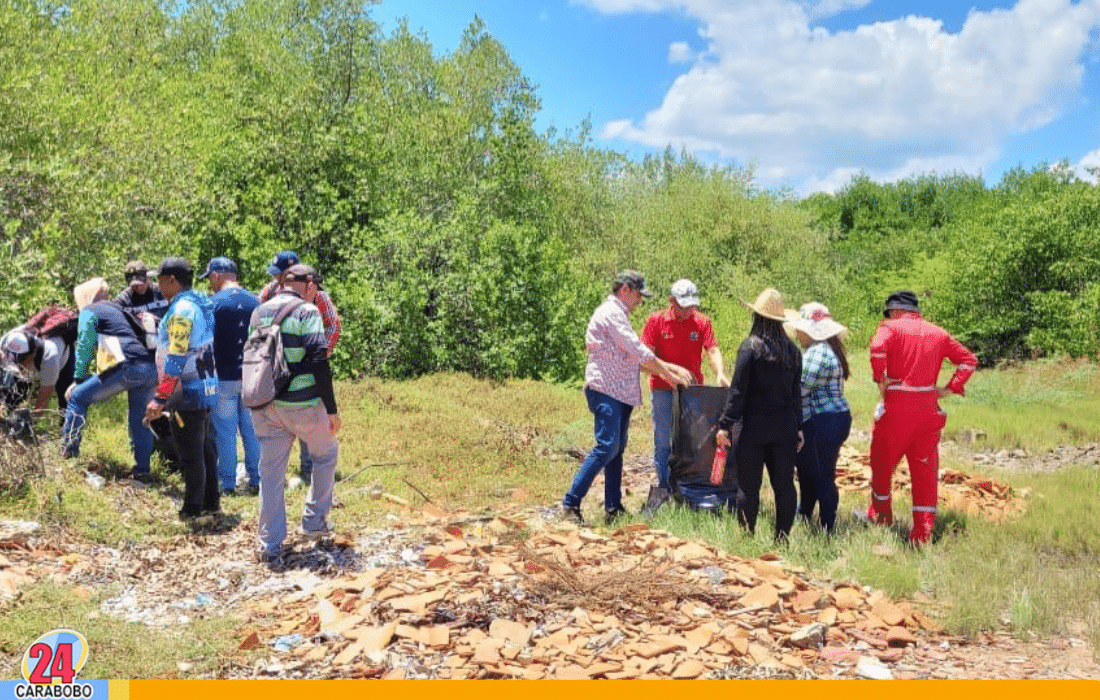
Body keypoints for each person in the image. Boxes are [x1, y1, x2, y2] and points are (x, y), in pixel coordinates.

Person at [561, 271, 693, 525]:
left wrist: (671, 370)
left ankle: (613, 506)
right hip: (606, 389)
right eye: (639, 295)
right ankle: (571, 503)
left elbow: (635, 357)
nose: (640, 301)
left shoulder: (620, 315)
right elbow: (638, 350)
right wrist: (669, 374)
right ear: (625, 289)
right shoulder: (611, 314)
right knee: (607, 446)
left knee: (616, 450)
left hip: (620, 392)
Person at [866, 290, 977, 545]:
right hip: (928, 409)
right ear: (916, 311)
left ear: (894, 311)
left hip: (896, 409)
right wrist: (949, 388)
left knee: (882, 464)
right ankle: (922, 533)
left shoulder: (890, 328)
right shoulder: (938, 333)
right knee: (925, 470)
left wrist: (880, 379)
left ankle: (881, 516)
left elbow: (876, 349)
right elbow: (969, 361)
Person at [250, 264, 341, 563]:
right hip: (302, 403)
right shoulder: (307, 312)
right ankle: (315, 521)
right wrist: (331, 408)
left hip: (265, 404)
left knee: (271, 474)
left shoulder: (259, 311)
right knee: (325, 454)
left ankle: (270, 544)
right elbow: (318, 357)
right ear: (310, 286)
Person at [716, 288, 803, 542]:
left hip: (753, 426)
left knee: (748, 487)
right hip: (784, 427)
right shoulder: (793, 352)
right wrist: (798, 427)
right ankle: (782, 538)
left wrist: (725, 423)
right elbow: (796, 394)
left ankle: (747, 537)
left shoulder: (750, 347)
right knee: (784, 486)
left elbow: (738, 391)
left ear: (757, 316)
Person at [61, 278, 159, 482]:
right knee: (140, 420)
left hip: (129, 366)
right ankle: (142, 471)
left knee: (77, 398)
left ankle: (68, 456)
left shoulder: (90, 311)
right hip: (149, 368)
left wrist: (78, 380)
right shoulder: (117, 309)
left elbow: (86, 346)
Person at [144, 257, 219, 519]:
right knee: (205, 447)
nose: (157, 285)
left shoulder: (182, 311)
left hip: (186, 388)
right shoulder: (201, 303)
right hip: (205, 384)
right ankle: (211, 503)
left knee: (190, 452)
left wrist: (160, 396)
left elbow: (176, 355)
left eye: (160, 279)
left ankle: (192, 509)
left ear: (172, 280)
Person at [259, 251, 342, 484]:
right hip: (276, 368)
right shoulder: (268, 293)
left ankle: (308, 469)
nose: (276, 279)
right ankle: (278, 473)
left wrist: (318, 352)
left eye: (280, 274)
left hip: (308, 366)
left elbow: (334, 326)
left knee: (309, 410)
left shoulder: (318, 298)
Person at [642, 278, 729, 496]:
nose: (688, 310)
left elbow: (713, 350)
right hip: (662, 387)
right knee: (663, 440)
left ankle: (689, 485)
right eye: (683, 305)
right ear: (671, 301)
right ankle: (664, 487)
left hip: (692, 391)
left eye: (691, 305)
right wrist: (668, 372)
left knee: (693, 439)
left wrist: (719, 372)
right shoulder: (656, 321)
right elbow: (645, 358)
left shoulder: (702, 322)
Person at [785, 302, 851, 533]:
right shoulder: (828, 350)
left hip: (823, 419)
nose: (797, 333)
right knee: (810, 469)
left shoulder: (816, 353)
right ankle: (807, 512)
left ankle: (826, 525)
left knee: (821, 473)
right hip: (832, 418)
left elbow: (799, 389)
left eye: (800, 329)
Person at [200, 257, 262, 496]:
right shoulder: (256, 302)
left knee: (225, 431)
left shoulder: (212, 304)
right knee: (252, 429)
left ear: (217, 275)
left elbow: (205, 343)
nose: (210, 284)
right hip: (251, 375)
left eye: (210, 279)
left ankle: (227, 483)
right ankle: (257, 479)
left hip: (223, 376)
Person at [0, 316, 76, 418]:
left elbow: (42, 401)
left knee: (67, 401)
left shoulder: (50, 358)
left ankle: (69, 431)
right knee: (10, 397)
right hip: (31, 363)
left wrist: (29, 420)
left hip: (63, 361)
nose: (18, 365)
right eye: (14, 361)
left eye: (21, 361)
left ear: (33, 354)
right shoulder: (4, 343)